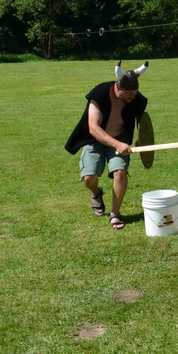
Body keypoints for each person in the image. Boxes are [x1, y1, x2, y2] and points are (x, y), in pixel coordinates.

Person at [64, 61, 149, 230]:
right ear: (118, 88)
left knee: (120, 172)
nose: (132, 96)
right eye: (129, 93)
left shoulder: (137, 100)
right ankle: (96, 193)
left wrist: (142, 140)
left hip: (120, 136)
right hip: (95, 139)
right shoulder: (100, 93)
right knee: (89, 178)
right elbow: (93, 128)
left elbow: (142, 123)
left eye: (134, 92)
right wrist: (117, 144)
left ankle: (115, 213)